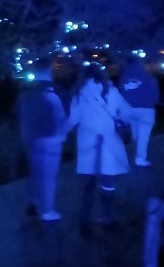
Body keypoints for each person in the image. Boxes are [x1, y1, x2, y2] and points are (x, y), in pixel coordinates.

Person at [68, 64, 132, 227]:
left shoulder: (79, 93)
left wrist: (60, 133)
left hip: (88, 142)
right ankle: (108, 216)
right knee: (108, 182)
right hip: (109, 141)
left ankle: (85, 220)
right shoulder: (112, 91)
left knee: (89, 183)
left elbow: (73, 119)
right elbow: (126, 112)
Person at [16, 58, 69, 221]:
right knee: (48, 177)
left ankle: (32, 201)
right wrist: (63, 137)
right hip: (49, 142)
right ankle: (47, 211)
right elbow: (60, 122)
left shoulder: (24, 97)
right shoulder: (51, 98)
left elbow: (19, 117)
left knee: (34, 173)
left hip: (29, 139)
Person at [118, 58, 160, 166]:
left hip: (129, 109)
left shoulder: (124, 77)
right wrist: (151, 102)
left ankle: (136, 151)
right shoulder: (148, 76)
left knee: (135, 133)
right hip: (146, 109)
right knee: (144, 136)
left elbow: (121, 93)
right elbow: (155, 95)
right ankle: (140, 158)